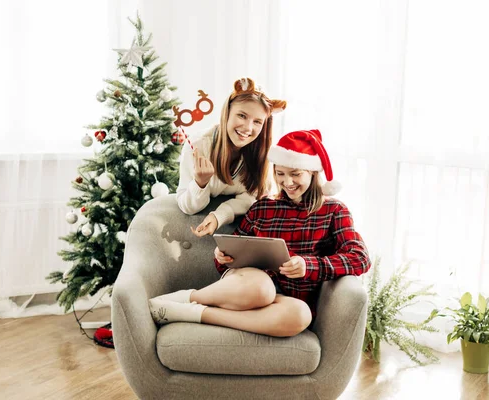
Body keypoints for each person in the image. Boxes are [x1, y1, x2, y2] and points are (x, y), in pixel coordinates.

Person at [149, 129, 372, 337]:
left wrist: (309, 265)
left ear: (313, 173)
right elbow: (233, 249)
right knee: (261, 287)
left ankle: (195, 313)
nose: (287, 182)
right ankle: (188, 298)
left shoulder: (334, 210)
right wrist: (223, 256)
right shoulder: (263, 207)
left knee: (301, 315)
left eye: (295, 174)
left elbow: (360, 258)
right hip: (248, 285)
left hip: (283, 301)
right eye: (281, 174)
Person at [176, 77, 287, 237]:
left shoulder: (261, 154)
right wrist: (200, 183)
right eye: (242, 116)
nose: (248, 128)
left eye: (257, 122)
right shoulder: (199, 145)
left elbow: (250, 198)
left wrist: (219, 215)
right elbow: (187, 206)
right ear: (227, 113)